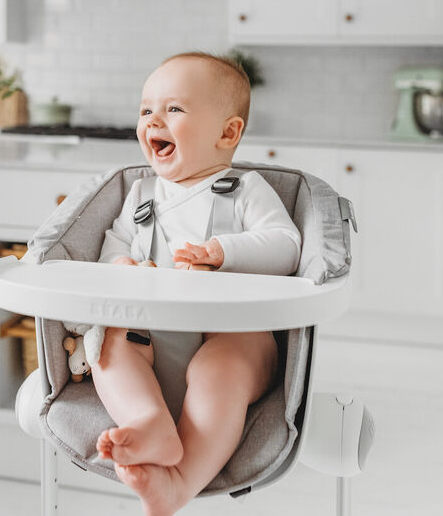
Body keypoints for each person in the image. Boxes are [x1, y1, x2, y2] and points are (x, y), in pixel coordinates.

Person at [91, 52, 302, 516]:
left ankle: (179, 482)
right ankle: (149, 420)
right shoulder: (141, 193)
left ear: (227, 133)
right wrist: (123, 264)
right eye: (146, 110)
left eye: (174, 109)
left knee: (225, 361)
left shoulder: (245, 189)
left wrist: (223, 252)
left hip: (230, 338)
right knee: (107, 346)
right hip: (149, 337)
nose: (153, 120)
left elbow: (286, 246)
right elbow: (111, 247)